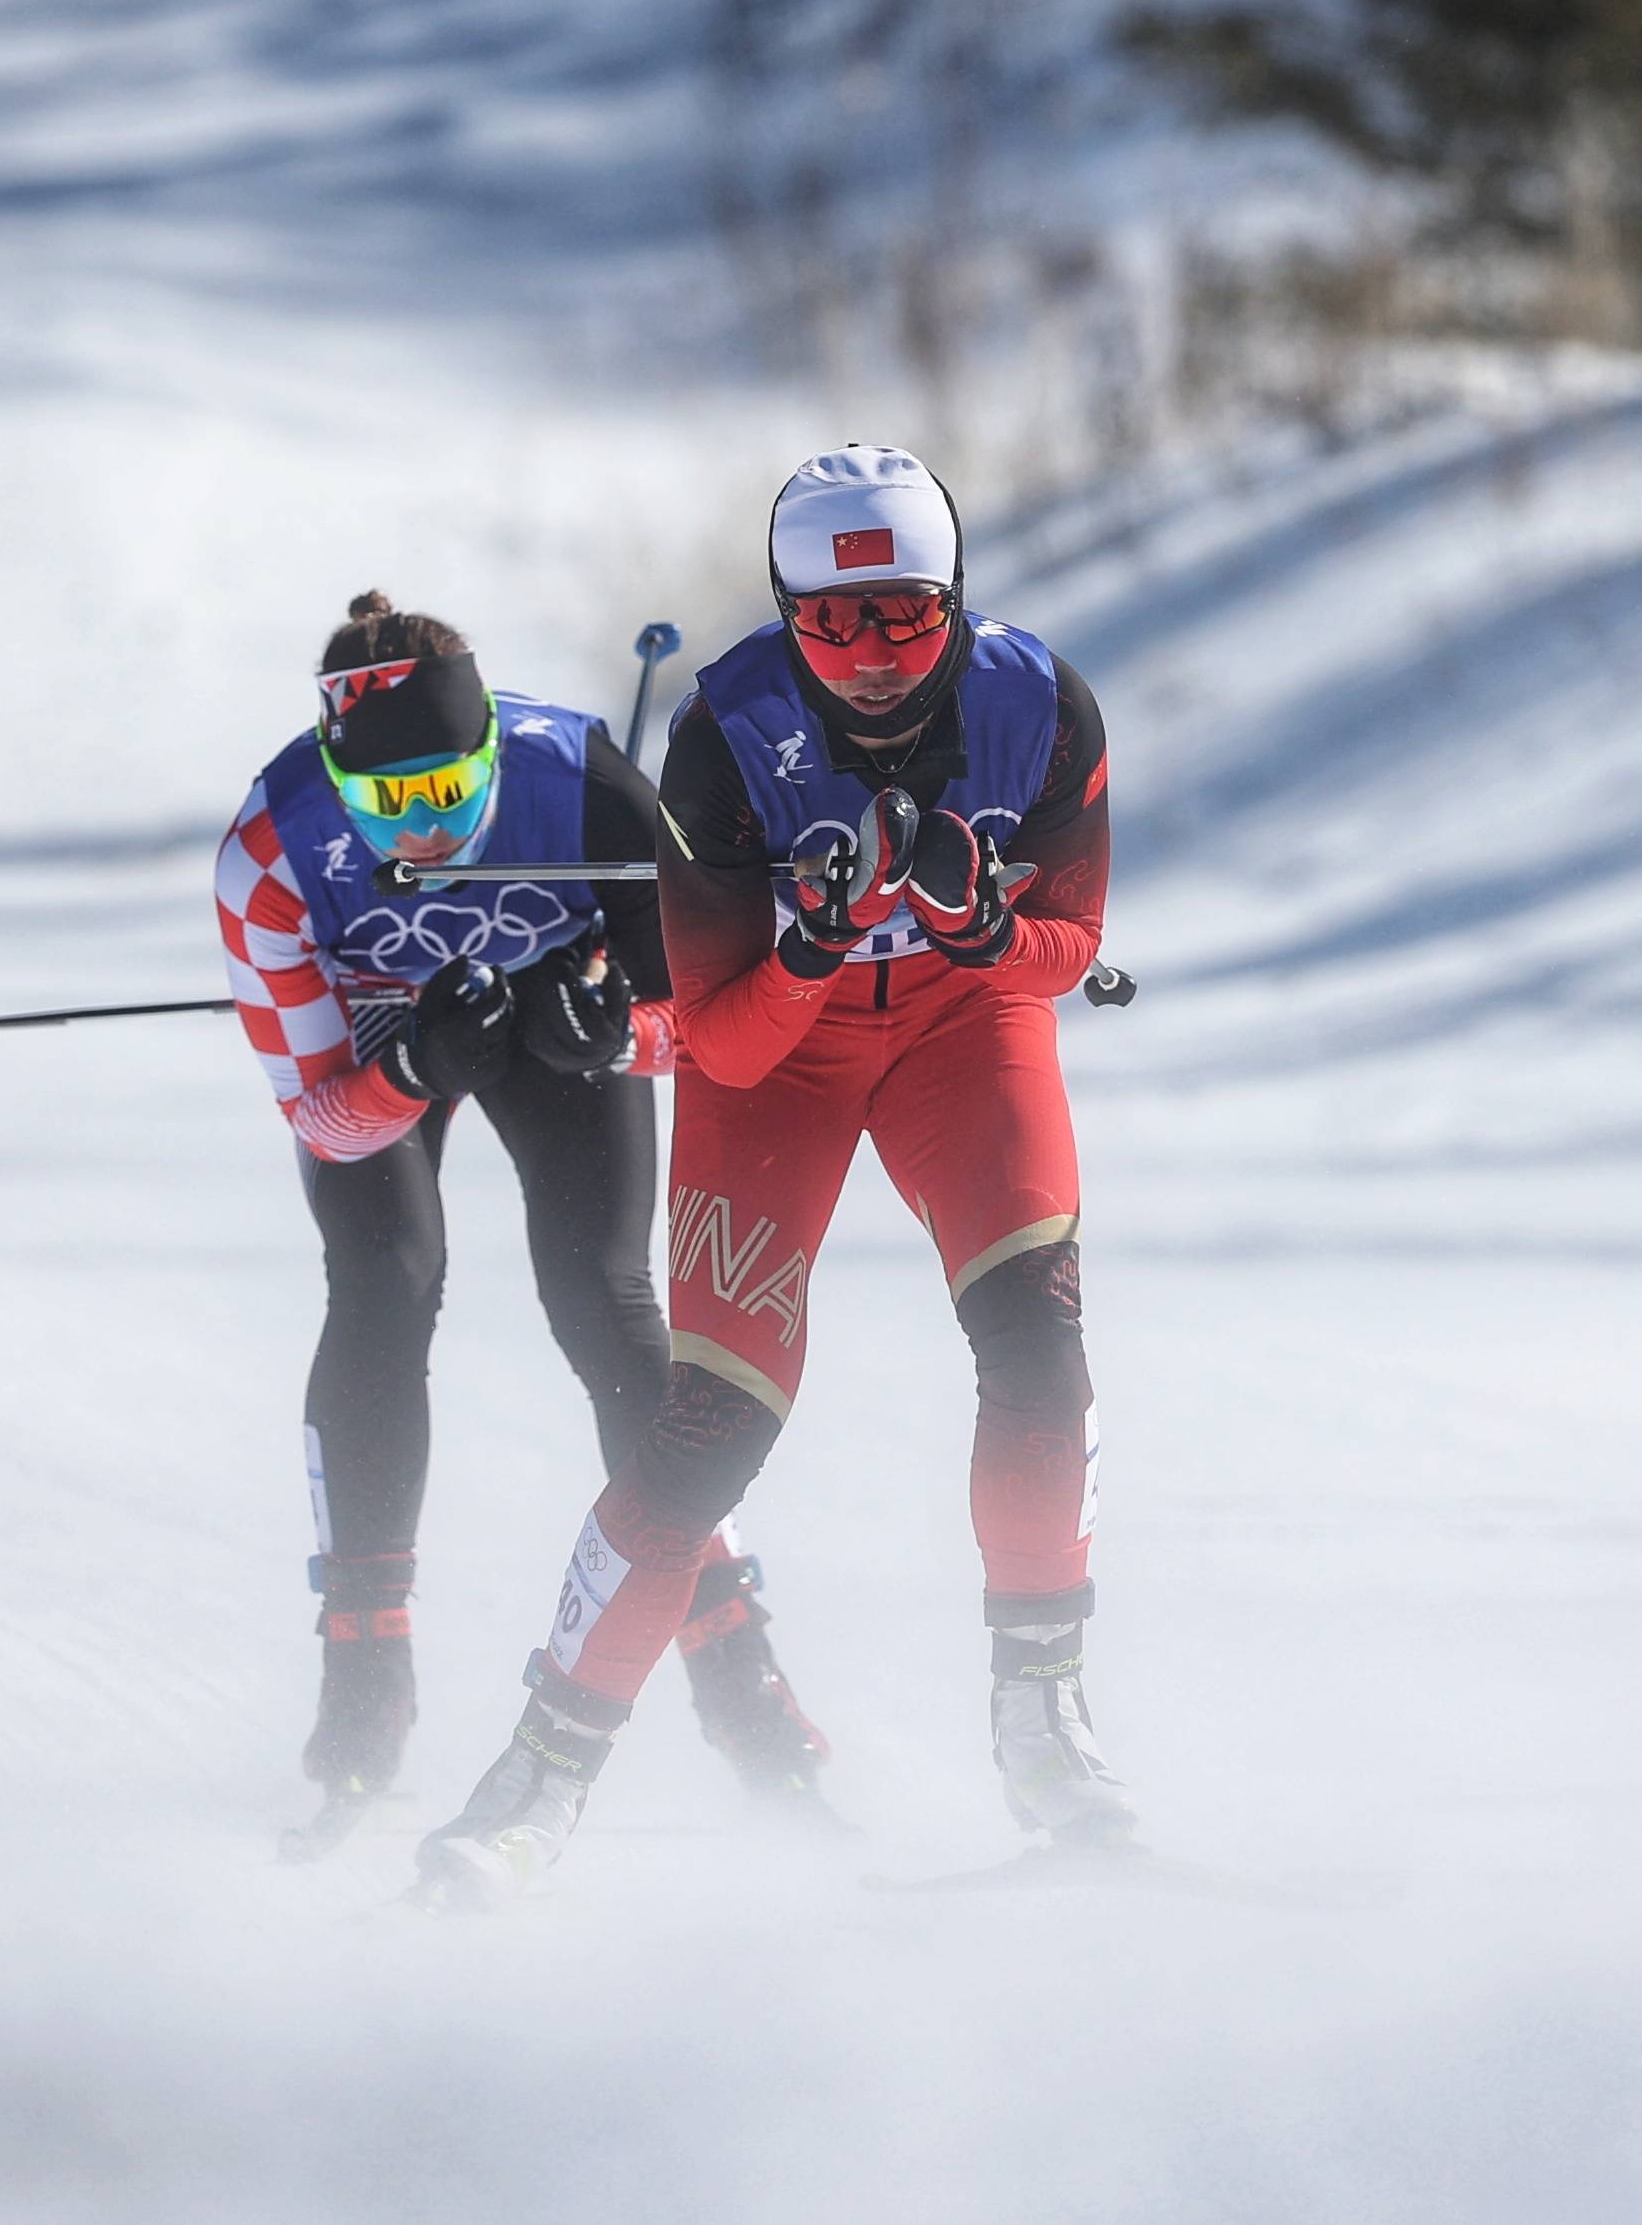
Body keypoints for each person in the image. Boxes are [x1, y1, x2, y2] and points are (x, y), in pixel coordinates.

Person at [414, 448, 1123, 1905]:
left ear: (959, 599)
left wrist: (983, 929)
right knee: (702, 1437)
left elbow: (1070, 946)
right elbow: (721, 1038)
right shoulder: (727, 735)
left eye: (906, 617)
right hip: (780, 1062)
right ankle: (534, 1781)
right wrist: (811, 943)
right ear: (788, 614)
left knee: (1040, 1352)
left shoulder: (1040, 708)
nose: (870, 659)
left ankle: (1041, 1716)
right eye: (833, 625)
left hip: (959, 1031)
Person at [217, 596, 831, 1841]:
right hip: (386, 1038)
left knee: (604, 1303)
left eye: (450, 785)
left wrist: (621, 1028)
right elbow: (322, 1117)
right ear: (340, 784)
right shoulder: (270, 853)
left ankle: (730, 1650)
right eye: (388, 804)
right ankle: (365, 1660)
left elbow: (713, 1035)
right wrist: (410, 1068)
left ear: (494, 743)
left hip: (560, 1026)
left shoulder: (586, 781)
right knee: (384, 1279)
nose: (428, 825)